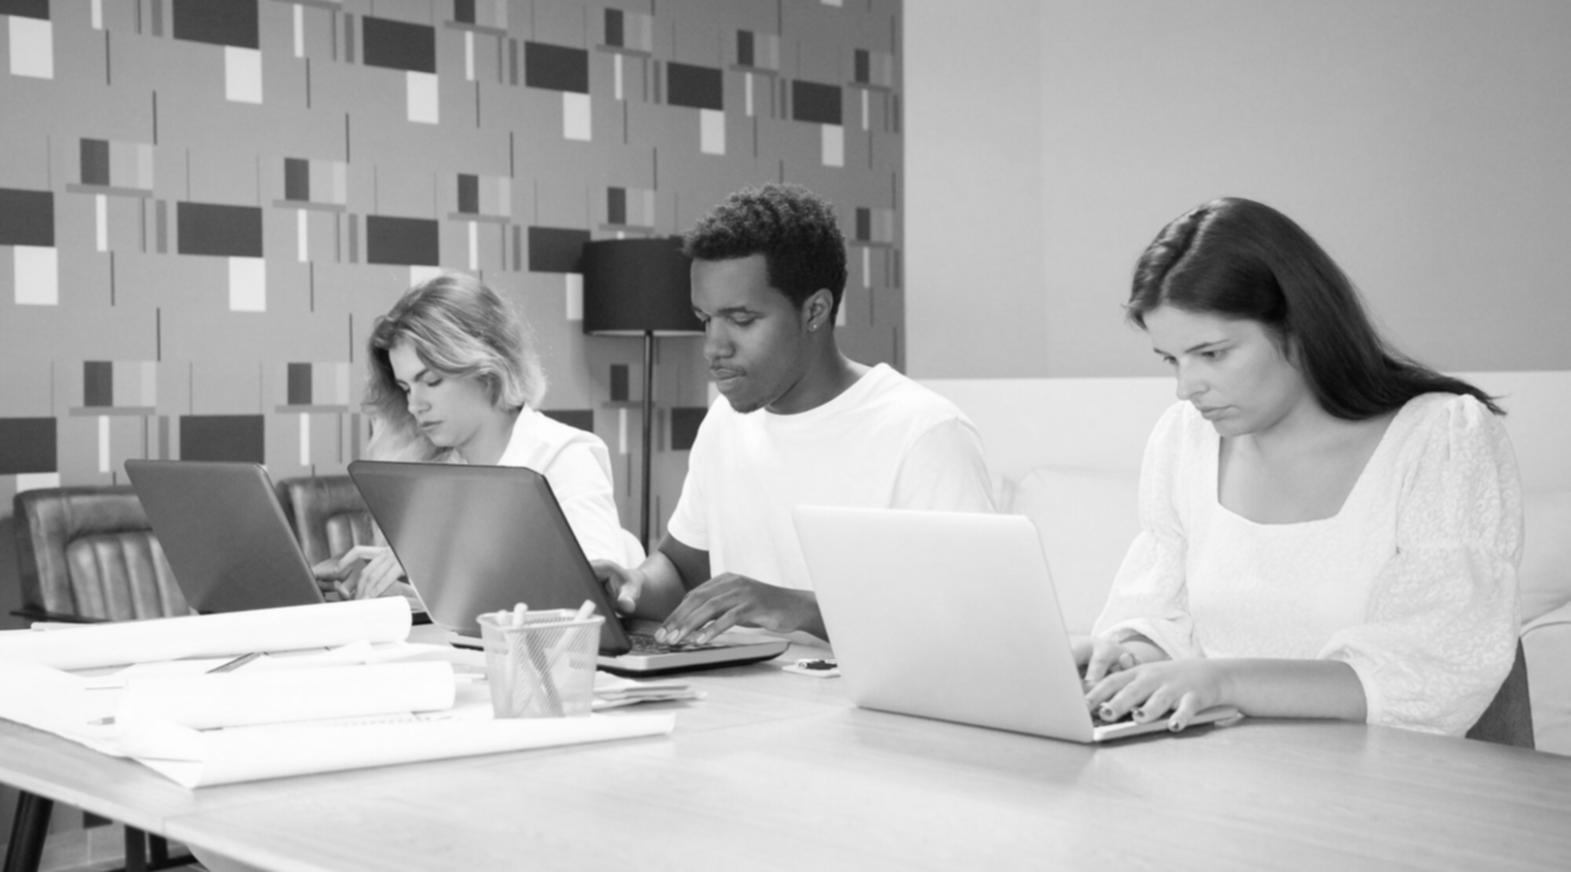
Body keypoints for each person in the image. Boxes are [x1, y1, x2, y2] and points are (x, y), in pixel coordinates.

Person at [1080, 196, 1522, 736]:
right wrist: (1124, 661)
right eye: (1172, 360)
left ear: (1299, 327)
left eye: (1213, 353)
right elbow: (1162, 616)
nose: (1186, 387)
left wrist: (1222, 681)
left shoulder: (1440, 439)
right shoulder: (1185, 439)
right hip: (1218, 772)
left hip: (1387, 789)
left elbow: (1431, 672)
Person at [594, 183, 996, 645]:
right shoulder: (726, 422)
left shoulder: (924, 433)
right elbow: (682, 572)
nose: (713, 348)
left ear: (815, 311)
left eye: (742, 320)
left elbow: (972, 621)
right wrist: (632, 585)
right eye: (706, 319)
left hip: (872, 707)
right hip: (748, 700)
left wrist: (796, 607)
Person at [316, 272, 640, 600]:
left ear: (486, 369)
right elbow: (447, 609)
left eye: (431, 381)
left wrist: (441, 571)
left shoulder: (563, 456)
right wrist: (382, 590)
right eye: (405, 387)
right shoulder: (425, 467)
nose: (415, 405)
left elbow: (592, 600)